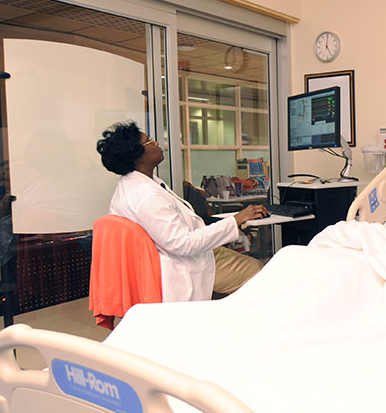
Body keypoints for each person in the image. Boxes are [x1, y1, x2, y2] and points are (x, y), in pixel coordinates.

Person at [96, 120, 267, 301]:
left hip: (187, 254)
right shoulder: (147, 196)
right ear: (138, 156)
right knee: (259, 271)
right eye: (150, 142)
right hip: (184, 264)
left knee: (248, 261)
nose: (157, 144)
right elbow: (183, 243)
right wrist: (236, 220)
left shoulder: (134, 185)